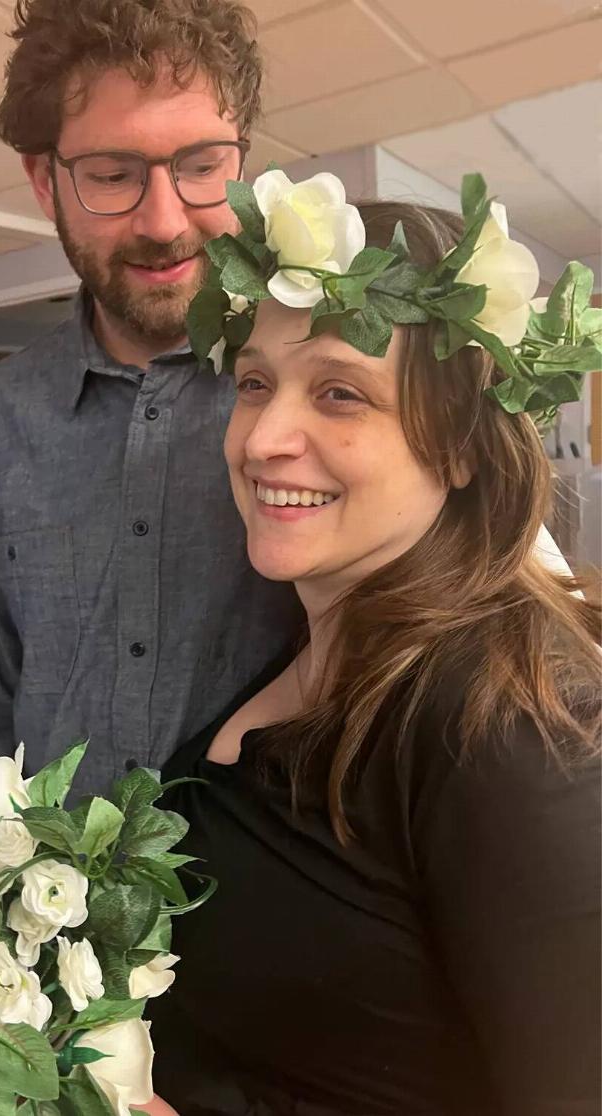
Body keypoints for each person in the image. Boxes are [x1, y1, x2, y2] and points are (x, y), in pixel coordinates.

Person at [147, 173, 602, 1114]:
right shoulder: (308, 638)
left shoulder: (513, 726)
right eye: (257, 384)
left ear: (465, 445)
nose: (266, 436)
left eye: (342, 393)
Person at [0, 0, 302, 820]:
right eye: (111, 175)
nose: (164, 222)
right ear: (42, 178)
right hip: (52, 920)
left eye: (202, 164)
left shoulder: (317, 382)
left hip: (273, 906)